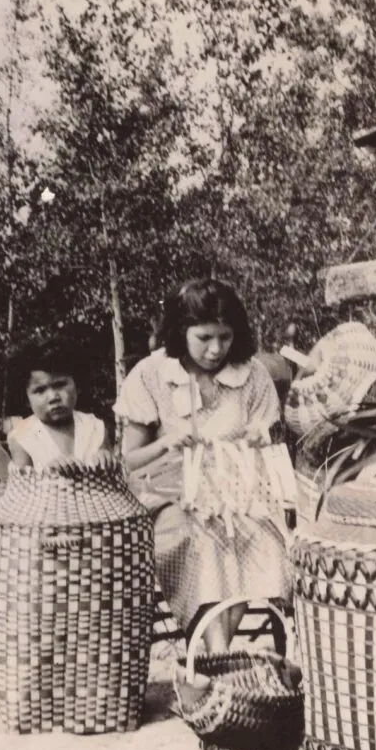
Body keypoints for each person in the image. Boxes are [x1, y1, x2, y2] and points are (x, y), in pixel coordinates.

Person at [114, 278, 293, 654]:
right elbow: (129, 460)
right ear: (182, 332)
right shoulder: (152, 374)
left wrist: (258, 438)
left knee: (262, 538)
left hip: (238, 488)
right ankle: (219, 654)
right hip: (168, 492)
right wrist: (166, 442)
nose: (216, 350)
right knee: (202, 542)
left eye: (225, 337)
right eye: (205, 338)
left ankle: (215, 656)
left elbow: (264, 440)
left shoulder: (251, 375)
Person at [7, 337, 111, 468]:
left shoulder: (94, 428)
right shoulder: (22, 436)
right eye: (40, 390)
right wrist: (49, 472)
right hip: (44, 488)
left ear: (77, 385)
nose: (53, 397)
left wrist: (106, 460)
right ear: (26, 398)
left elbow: (114, 479)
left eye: (60, 385)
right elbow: (22, 485)